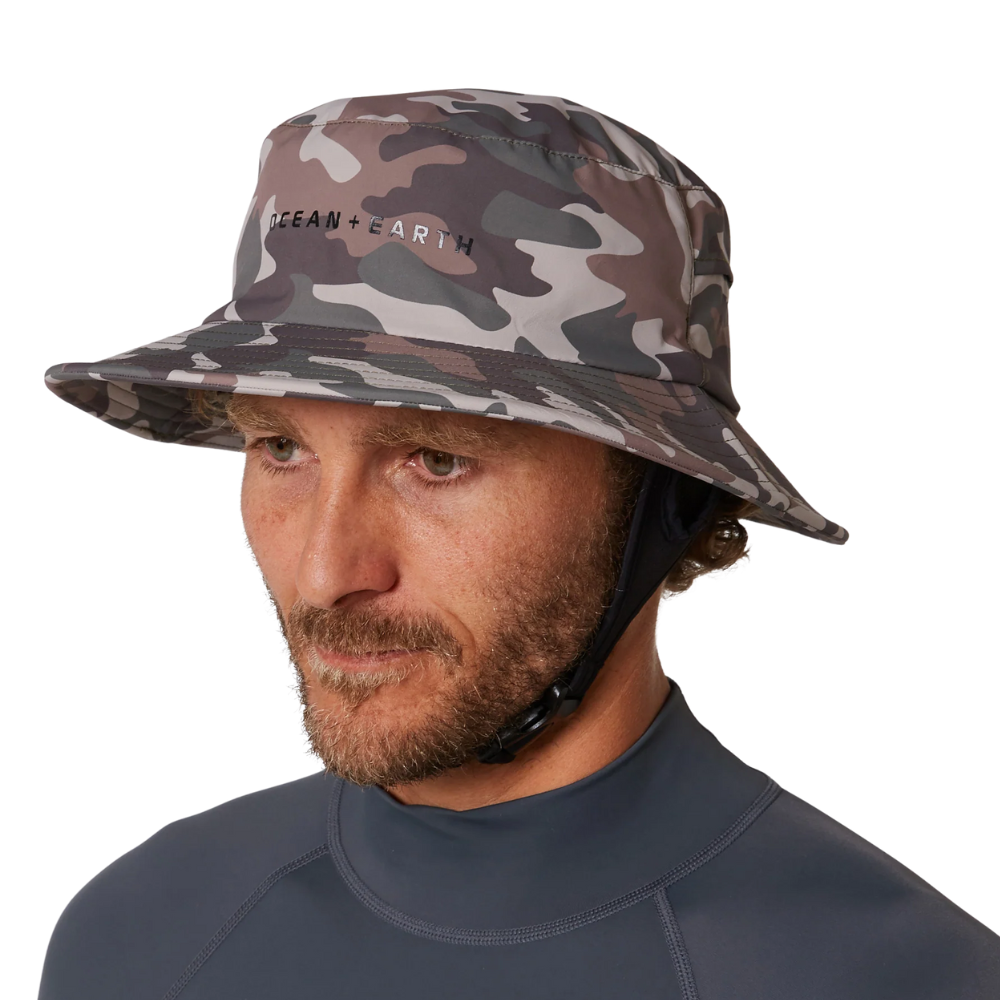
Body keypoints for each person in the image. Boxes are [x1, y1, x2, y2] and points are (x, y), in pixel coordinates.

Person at [39, 89, 999, 999]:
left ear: (666, 500)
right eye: (281, 448)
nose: (327, 575)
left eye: (438, 460)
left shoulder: (905, 978)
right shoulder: (141, 935)